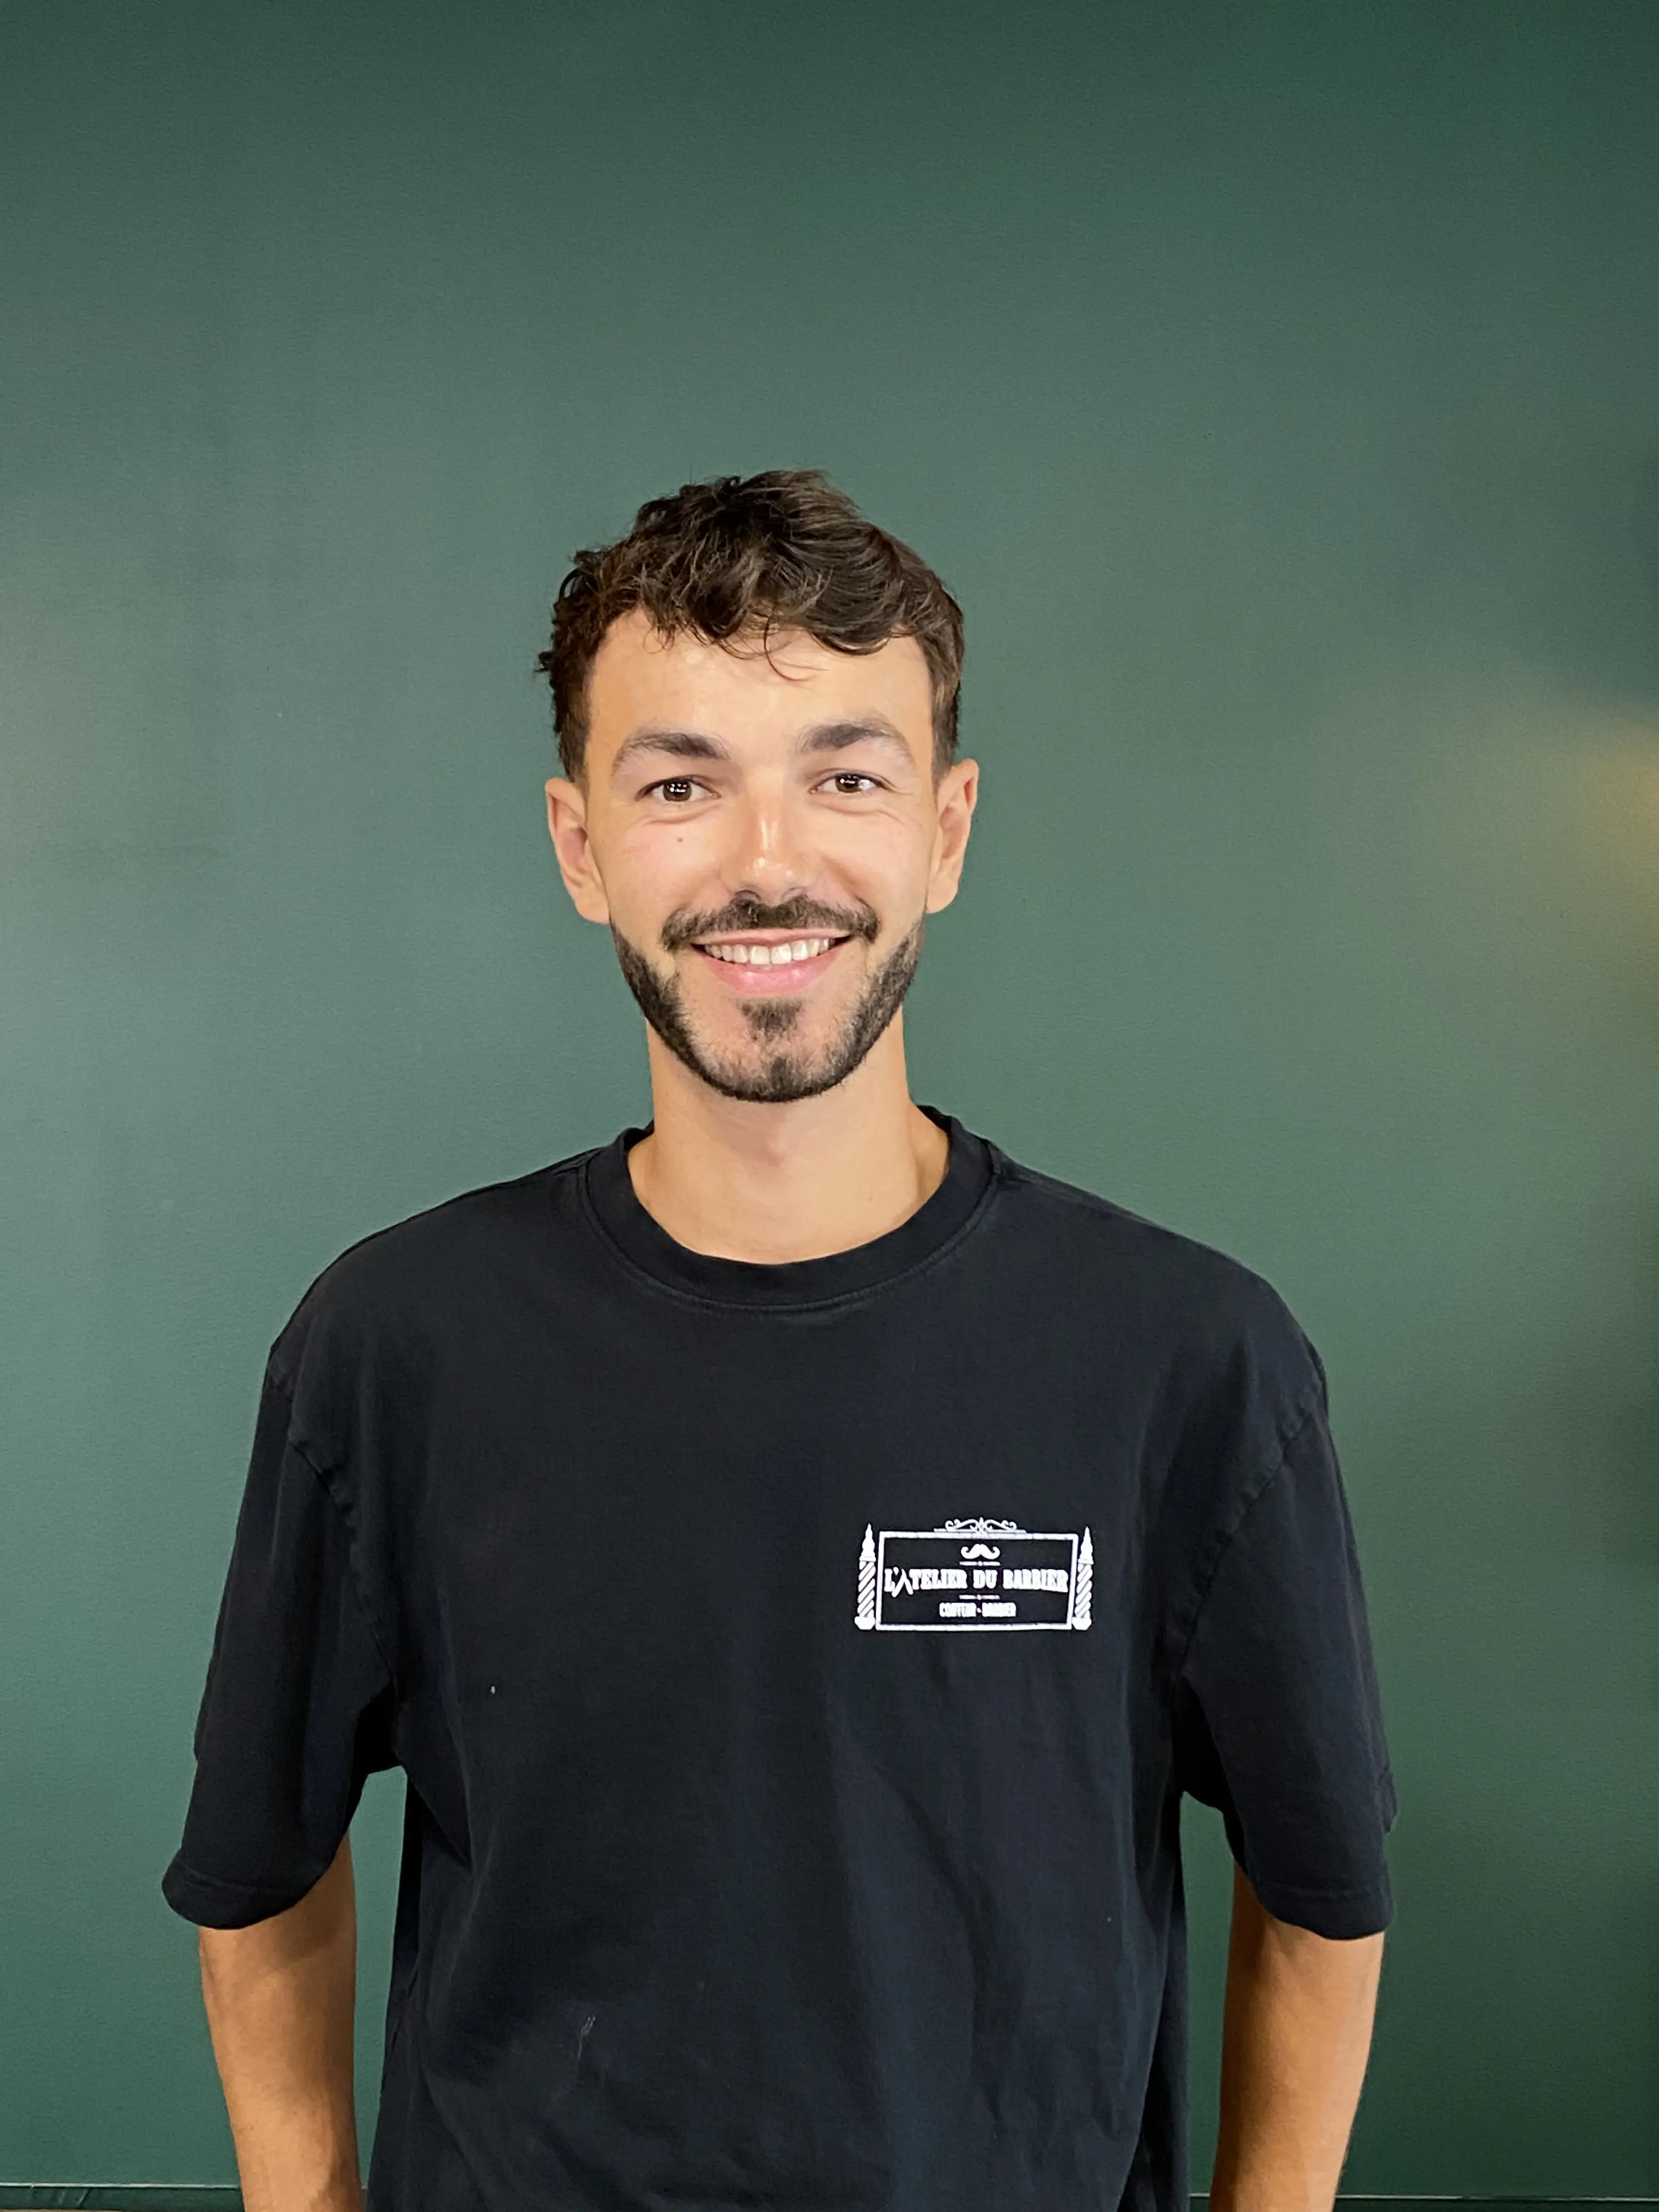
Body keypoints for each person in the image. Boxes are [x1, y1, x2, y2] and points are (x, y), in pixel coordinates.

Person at [162, 469, 1398, 2212]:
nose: (769, 864)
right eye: (681, 784)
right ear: (581, 844)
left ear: (947, 831)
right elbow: (258, 1877)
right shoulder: (392, 1345)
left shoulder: (1191, 1360)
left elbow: (1323, 1891)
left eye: (846, 776)